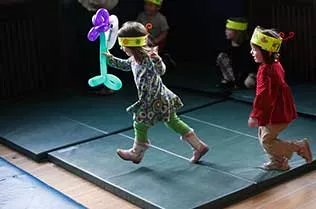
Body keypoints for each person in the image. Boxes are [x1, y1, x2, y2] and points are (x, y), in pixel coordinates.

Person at [104, 21, 209, 164]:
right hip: (160, 97)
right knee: (172, 121)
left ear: (132, 45)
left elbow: (161, 71)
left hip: (153, 99)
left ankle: (137, 152)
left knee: (139, 123)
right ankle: (199, 146)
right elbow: (125, 65)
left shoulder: (147, 59)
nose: (122, 48)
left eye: (123, 45)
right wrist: (109, 59)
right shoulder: (134, 59)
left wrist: (157, 60)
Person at [248, 26, 312, 170]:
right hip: (277, 107)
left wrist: (255, 115)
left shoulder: (266, 70)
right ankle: (279, 162)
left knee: (267, 140)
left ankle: (298, 146)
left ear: (267, 51)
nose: (252, 52)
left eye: (255, 50)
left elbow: (263, 95)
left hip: (277, 111)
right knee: (263, 134)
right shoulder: (274, 64)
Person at [216, 17, 257, 89]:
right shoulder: (227, 44)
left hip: (248, 72)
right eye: (226, 29)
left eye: (229, 30)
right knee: (221, 56)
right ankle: (231, 80)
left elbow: (250, 66)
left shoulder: (248, 46)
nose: (226, 31)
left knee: (249, 82)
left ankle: (237, 83)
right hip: (235, 72)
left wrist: (241, 81)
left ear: (237, 32)